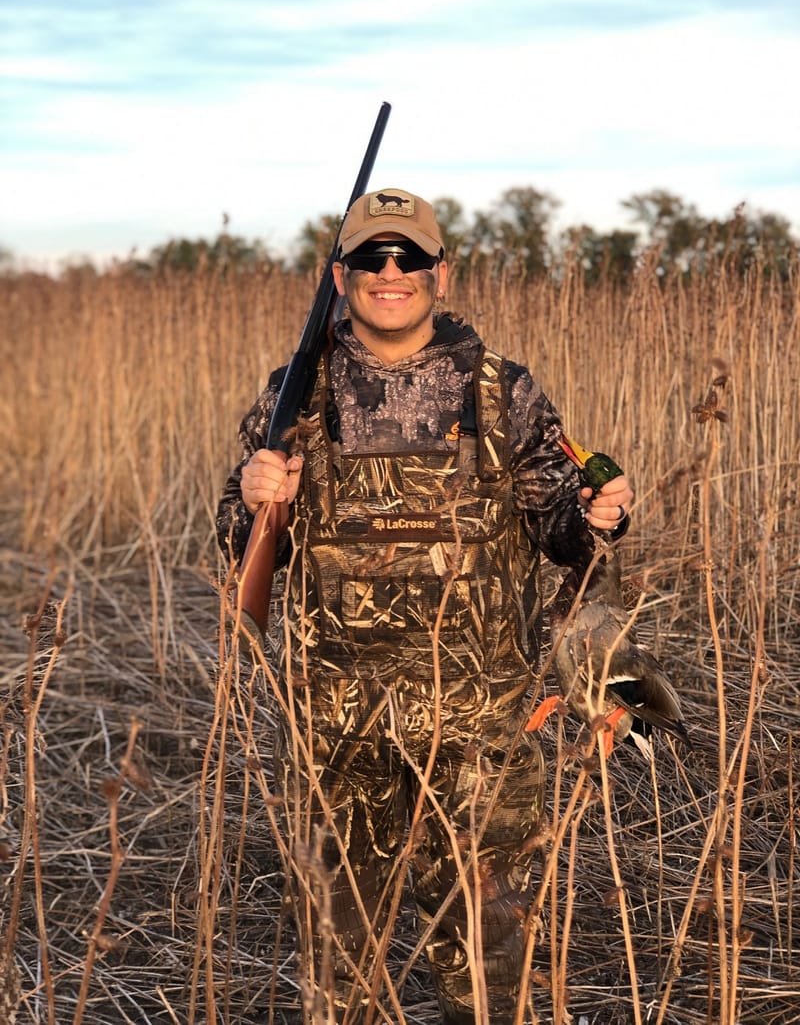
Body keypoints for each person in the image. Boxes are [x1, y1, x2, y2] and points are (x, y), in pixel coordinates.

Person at [216, 188, 634, 1024]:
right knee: (337, 966)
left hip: (478, 731)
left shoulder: (504, 390)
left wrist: (599, 517)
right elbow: (243, 543)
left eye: (408, 255)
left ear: (441, 274)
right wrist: (256, 497)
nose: (390, 271)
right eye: (370, 256)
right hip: (336, 731)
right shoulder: (295, 394)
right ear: (342, 276)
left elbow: (561, 533)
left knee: (489, 966)